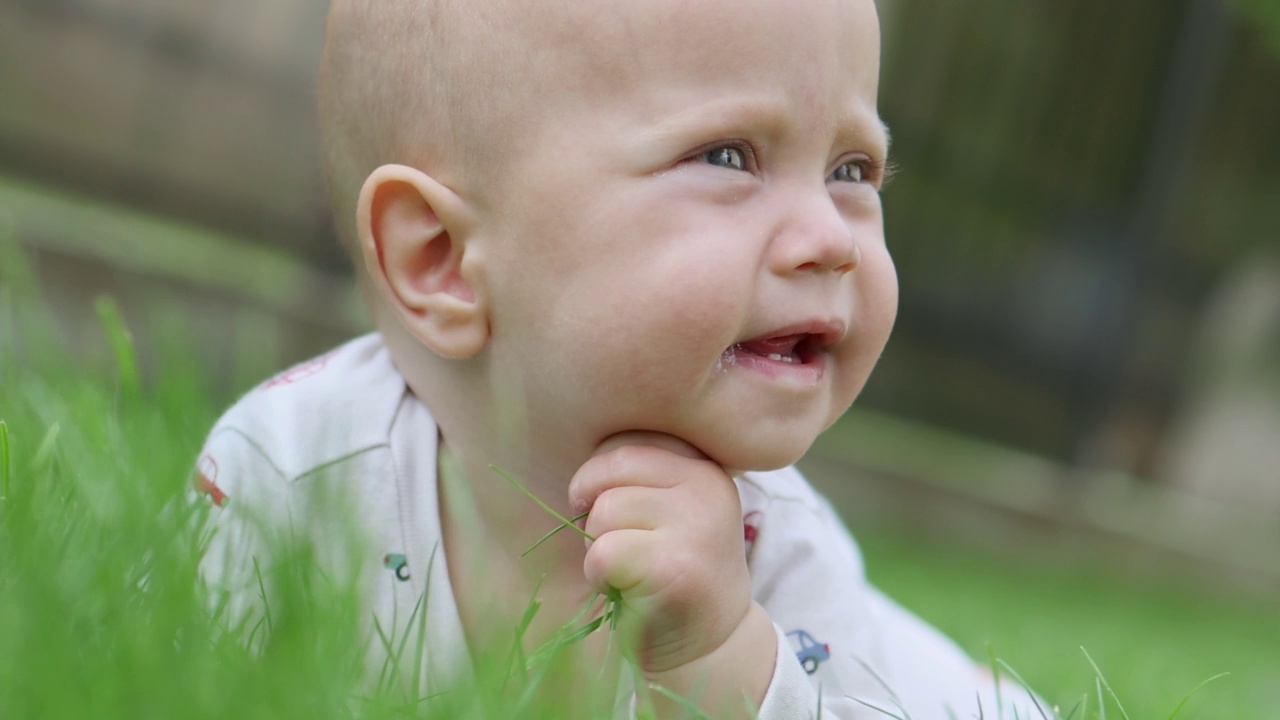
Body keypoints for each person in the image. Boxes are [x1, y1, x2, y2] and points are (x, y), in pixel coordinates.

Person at [196, 0, 1042, 717]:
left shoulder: (773, 550)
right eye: (727, 157)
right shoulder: (292, 473)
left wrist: (725, 656)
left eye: (851, 169)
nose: (829, 237)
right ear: (443, 260)